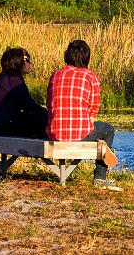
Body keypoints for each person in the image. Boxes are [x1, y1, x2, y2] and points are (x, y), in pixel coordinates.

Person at [46, 39, 121, 191]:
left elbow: (49, 104)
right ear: (87, 57)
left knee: (96, 132)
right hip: (77, 134)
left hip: (54, 133)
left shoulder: (55, 75)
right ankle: (100, 177)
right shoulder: (91, 77)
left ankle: (103, 155)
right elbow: (93, 112)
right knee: (107, 130)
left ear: (67, 56)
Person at [0, 47, 47, 139]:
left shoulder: (7, 77)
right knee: (45, 121)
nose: (30, 62)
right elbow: (30, 106)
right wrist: (49, 114)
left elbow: (26, 106)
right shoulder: (14, 81)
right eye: (27, 59)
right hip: (3, 126)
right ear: (18, 61)